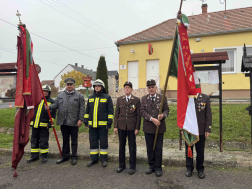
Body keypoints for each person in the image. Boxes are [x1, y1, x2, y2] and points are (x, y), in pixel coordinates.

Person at [45, 78, 85, 165]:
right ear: (66, 85)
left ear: (74, 85)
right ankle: (65, 156)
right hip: (64, 121)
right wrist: (50, 107)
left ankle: (74, 157)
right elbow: (56, 105)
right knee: (65, 139)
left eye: (71, 85)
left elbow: (82, 109)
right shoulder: (60, 95)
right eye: (68, 85)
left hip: (74, 121)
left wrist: (80, 119)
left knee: (74, 140)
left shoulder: (79, 96)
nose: (69, 86)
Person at [140, 79, 169, 177]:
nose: (151, 89)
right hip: (148, 127)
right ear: (147, 89)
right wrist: (152, 119)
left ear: (156, 88)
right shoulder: (143, 99)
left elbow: (166, 110)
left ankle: (158, 167)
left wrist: (162, 116)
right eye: (149, 87)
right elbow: (142, 112)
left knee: (158, 148)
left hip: (159, 128)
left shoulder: (162, 97)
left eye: (153, 87)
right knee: (149, 148)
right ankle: (151, 166)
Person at [84, 79, 114, 168]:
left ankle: (104, 159)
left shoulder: (107, 97)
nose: (97, 87)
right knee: (93, 143)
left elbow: (110, 112)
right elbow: (87, 111)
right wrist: (86, 121)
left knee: (103, 143)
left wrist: (109, 123)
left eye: (98, 86)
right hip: (92, 126)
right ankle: (93, 159)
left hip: (103, 126)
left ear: (102, 87)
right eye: (95, 86)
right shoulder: (91, 98)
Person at [114, 81, 141, 175]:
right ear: (123, 89)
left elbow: (138, 115)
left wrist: (137, 128)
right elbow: (116, 114)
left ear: (132, 89)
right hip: (121, 126)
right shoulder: (119, 99)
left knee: (132, 147)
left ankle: (132, 167)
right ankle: (122, 165)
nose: (127, 89)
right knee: (121, 146)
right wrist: (115, 126)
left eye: (129, 87)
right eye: (125, 87)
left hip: (132, 127)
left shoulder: (136, 100)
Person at [184, 92, 212, 179]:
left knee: (200, 151)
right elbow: (182, 113)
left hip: (201, 129)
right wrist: (181, 128)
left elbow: (208, 114)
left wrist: (208, 128)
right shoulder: (186, 97)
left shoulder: (205, 97)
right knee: (189, 150)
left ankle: (200, 169)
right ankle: (189, 168)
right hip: (188, 129)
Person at [27, 85, 56, 164]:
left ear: (49, 92)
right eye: (44, 91)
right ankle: (34, 156)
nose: (45, 92)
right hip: (34, 125)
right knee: (34, 141)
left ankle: (44, 157)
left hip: (44, 126)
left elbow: (53, 115)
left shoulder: (51, 102)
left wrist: (50, 123)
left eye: (47, 91)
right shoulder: (36, 100)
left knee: (43, 141)